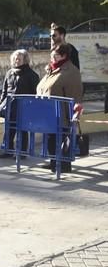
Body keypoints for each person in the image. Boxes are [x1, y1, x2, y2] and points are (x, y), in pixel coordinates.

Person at [36, 44, 83, 173]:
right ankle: (54, 162)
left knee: (62, 140)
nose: (52, 58)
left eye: (55, 55)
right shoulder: (51, 69)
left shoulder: (71, 71)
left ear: (64, 56)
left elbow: (75, 93)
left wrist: (74, 113)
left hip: (62, 113)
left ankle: (64, 165)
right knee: (51, 139)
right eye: (51, 55)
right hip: (48, 112)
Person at [0, 49, 40, 155]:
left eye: (19, 59)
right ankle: (7, 150)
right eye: (15, 58)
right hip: (10, 106)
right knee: (8, 130)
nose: (17, 60)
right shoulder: (9, 73)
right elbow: (5, 90)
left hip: (24, 106)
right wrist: (1, 102)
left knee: (22, 130)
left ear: (25, 60)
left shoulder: (32, 75)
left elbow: (36, 92)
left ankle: (22, 152)